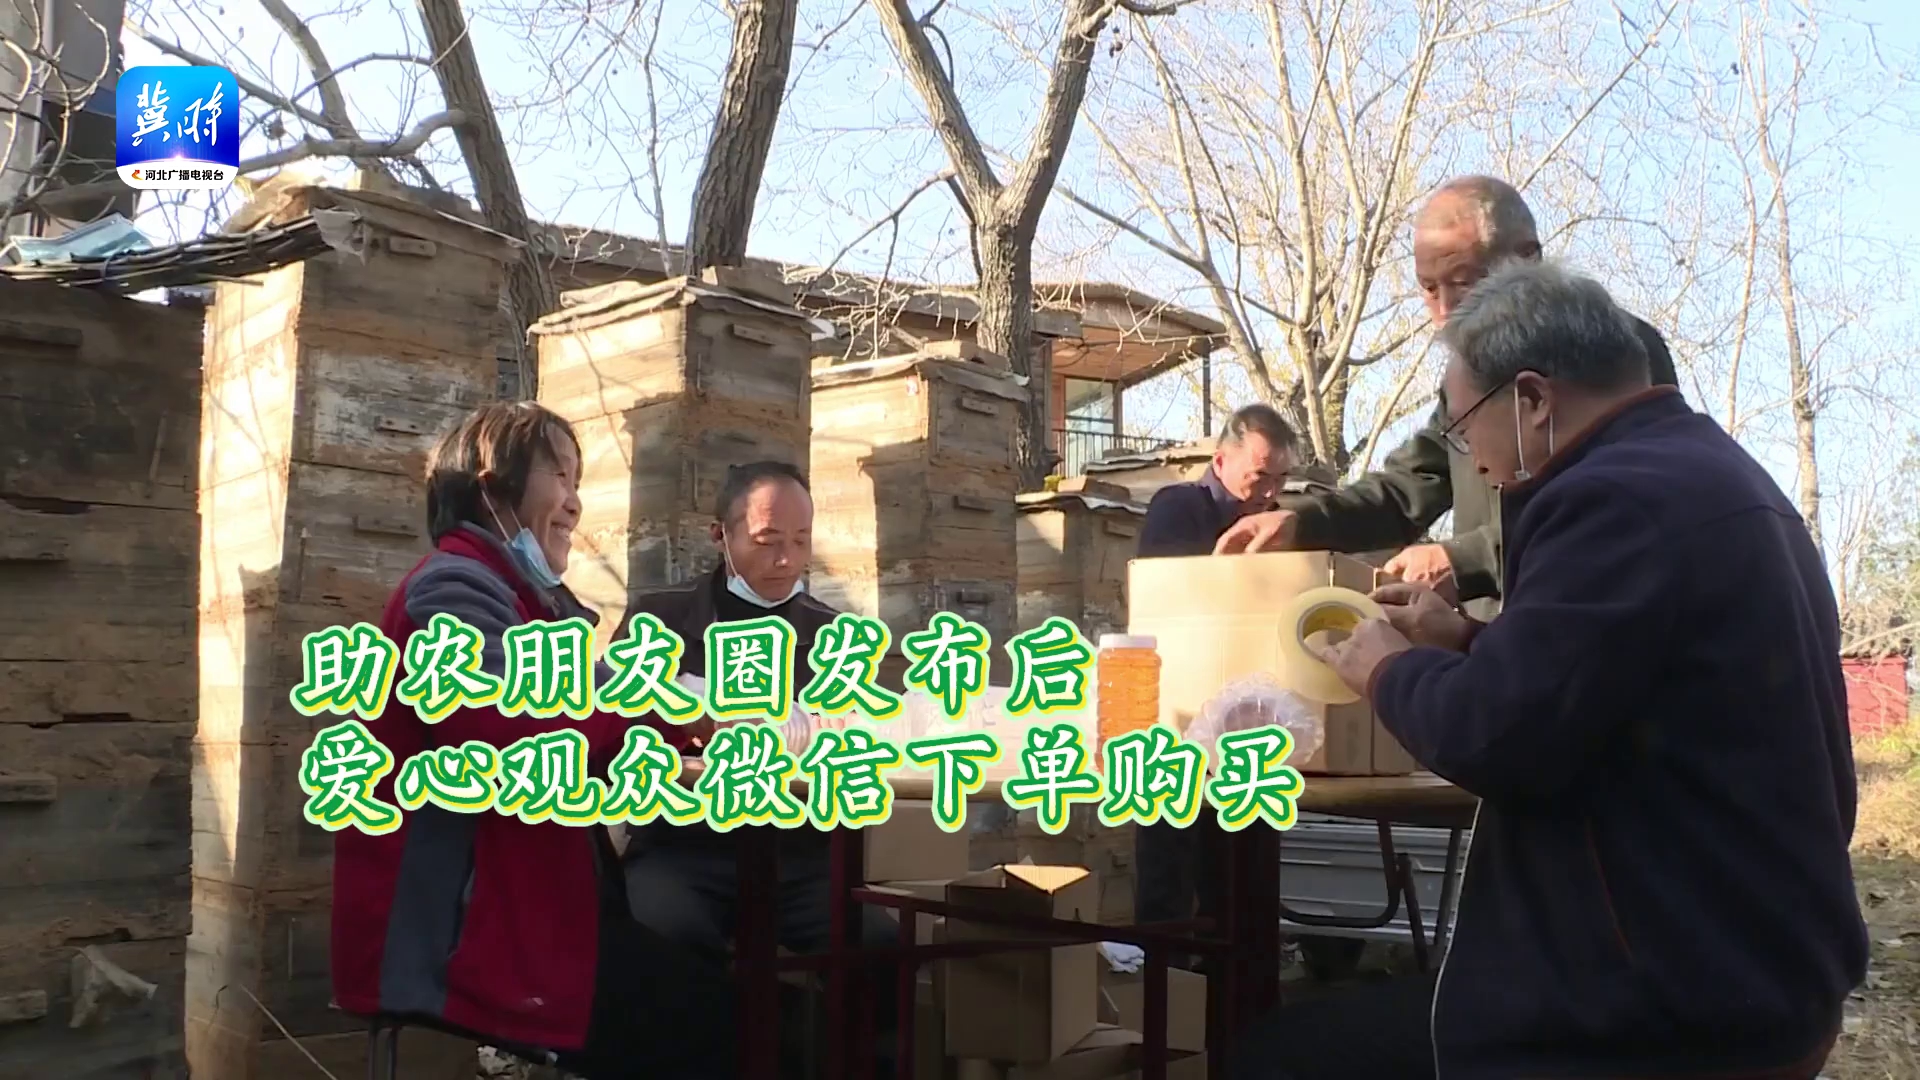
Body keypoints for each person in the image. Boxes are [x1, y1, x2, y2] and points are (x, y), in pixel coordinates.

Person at [1249, 261, 1868, 1079]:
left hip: (1668, 1004)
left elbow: (1496, 738)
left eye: (1465, 428)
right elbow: (1606, 681)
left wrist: (1385, 668)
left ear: (1533, 400)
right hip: (1757, 962)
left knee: (1271, 1058)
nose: (1473, 462)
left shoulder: (1611, 501)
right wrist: (1464, 640)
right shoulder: (1710, 473)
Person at [330, 402, 735, 1080]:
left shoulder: (521, 602)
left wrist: (687, 720)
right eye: (561, 477)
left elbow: (598, 696)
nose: (575, 503)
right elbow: (515, 735)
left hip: (530, 914)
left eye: (578, 482)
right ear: (492, 491)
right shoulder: (452, 589)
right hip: (463, 933)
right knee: (713, 1026)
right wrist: (662, 715)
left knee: (719, 1002)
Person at [1215, 175, 1681, 620]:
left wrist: (1463, 560)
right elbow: (1405, 490)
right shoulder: (1468, 381)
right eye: (1428, 288)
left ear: (1527, 259)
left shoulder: (1613, 349)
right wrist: (1301, 523)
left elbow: (1614, 515)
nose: (1443, 313)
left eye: (1462, 283)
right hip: (1501, 639)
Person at [622, 461, 902, 1073]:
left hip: (798, 856)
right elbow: (617, 733)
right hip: (684, 848)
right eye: (768, 540)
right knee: (662, 937)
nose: (786, 560)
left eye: (801, 541)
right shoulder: (659, 622)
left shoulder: (834, 636)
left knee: (879, 948)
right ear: (720, 536)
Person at [1131, 405, 1297, 959]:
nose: (1269, 493)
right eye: (1260, 476)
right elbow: (1173, 600)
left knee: (1246, 886)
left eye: (1280, 480)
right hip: (1175, 723)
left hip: (1248, 726)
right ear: (1221, 460)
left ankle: (1241, 999)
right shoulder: (1179, 507)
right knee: (1170, 882)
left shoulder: (1279, 522)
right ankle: (1167, 997)